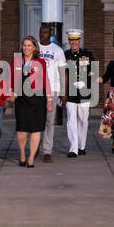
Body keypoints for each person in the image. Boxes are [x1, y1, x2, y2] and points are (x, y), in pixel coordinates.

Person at [11, 36, 52, 168]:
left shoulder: (41, 62)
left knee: (36, 130)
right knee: (21, 130)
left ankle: (31, 158)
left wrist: (49, 99)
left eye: (29, 45)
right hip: (21, 99)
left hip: (38, 99)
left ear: (34, 47)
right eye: (24, 45)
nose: (26, 48)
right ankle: (22, 154)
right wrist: (11, 91)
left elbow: (46, 80)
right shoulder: (16, 61)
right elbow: (10, 79)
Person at [38, 24, 67, 163]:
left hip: (53, 88)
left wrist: (63, 92)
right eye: (41, 32)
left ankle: (47, 151)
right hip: (36, 89)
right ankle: (35, 145)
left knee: (50, 121)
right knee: (36, 119)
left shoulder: (58, 50)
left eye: (45, 32)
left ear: (50, 34)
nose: (42, 35)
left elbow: (62, 73)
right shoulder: (33, 47)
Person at [64, 29, 94, 158]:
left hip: (84, 91)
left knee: (83, 119)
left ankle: (82, 146)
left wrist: (85, 81)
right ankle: (73, 149)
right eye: (71, 40)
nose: (74, 42)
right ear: (69, 41)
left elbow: (93, 72)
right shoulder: (65, 55)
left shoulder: (87, 54)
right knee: (71, 120)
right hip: (70, 91)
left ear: (80, 40)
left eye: (76, 40)